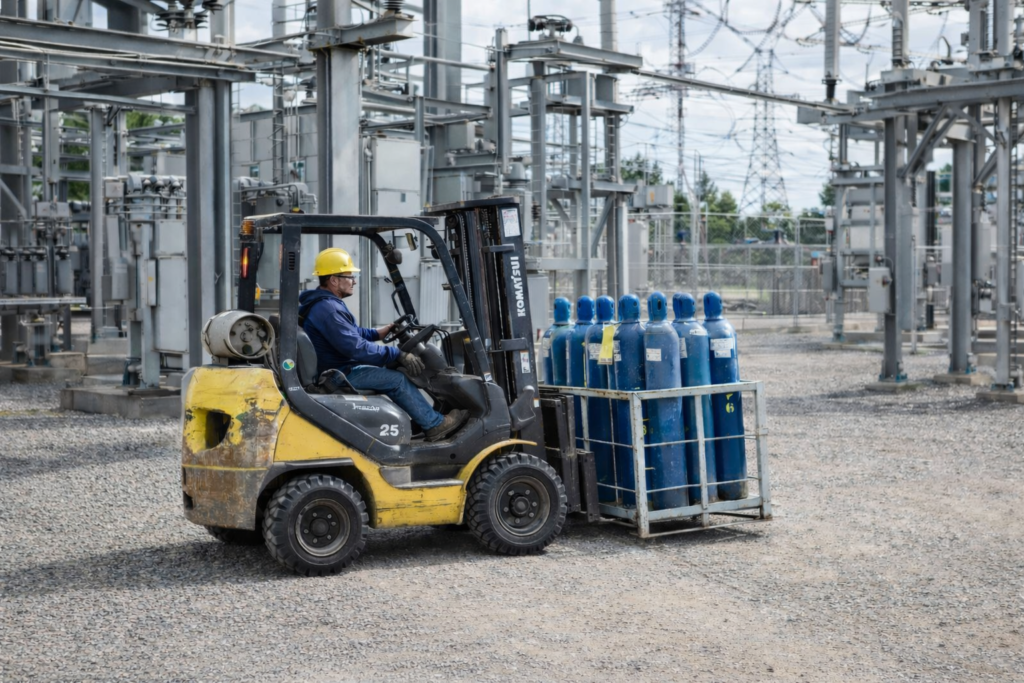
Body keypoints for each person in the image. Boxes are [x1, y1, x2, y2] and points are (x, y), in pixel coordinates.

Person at [298, 248, 467, 441]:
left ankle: (421, 419)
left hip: (338, 368)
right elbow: (355, 348)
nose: (354, 281)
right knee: (396, 379)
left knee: (391, 368)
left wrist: (379, 333)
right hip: (339, 374)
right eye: (349, 276)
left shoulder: (325, 304)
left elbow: (352, 334)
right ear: (334, 280)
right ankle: (435, 424)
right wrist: (396, 354)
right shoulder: (329, 310)